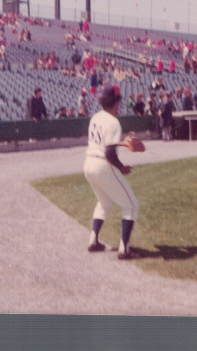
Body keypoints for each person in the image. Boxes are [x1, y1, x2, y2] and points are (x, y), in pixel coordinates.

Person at [83, 84, 140, 260]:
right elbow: (108, 152)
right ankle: (124, 249)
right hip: (102, 165)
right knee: (131, 205)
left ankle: (93, 241)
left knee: (104, 202)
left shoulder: (96, 117)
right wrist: (121, 167)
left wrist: (122, 143)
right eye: (118, 101)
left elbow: (104, 144)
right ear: (115, 101)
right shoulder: (114, 122)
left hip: (88, 164)